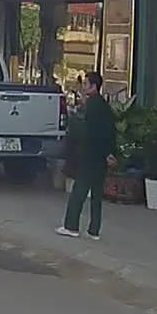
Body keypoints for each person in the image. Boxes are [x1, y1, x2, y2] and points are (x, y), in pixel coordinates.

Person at [57, 72, 116, 241]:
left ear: (93, 87)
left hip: (89, 155)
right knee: (97, 195)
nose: (83, 88)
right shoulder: (105, 106)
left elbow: (86, 131)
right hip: (101, 157)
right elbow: (110, 132)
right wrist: (109, 153)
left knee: (79, 192)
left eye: (85, 84)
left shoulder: (90, 107)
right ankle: (94, 230)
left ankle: (71, 226)